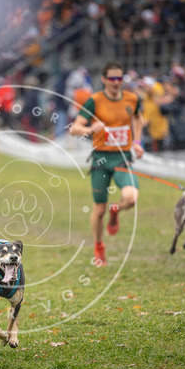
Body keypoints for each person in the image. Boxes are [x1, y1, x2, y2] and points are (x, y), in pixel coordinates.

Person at [70, 61, 144, 267]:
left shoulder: (132, 98)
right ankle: (99, 246)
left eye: (119, 78)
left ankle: (116, 209)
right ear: (103, 79)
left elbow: (139, 118)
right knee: (99, 209)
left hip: (122, 158)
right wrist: (90, 129)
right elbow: (75, 128)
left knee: (131, 197)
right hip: (101, 160)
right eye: (112, 78)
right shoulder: (94, 101)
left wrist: (137, 142)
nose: (116, 82)